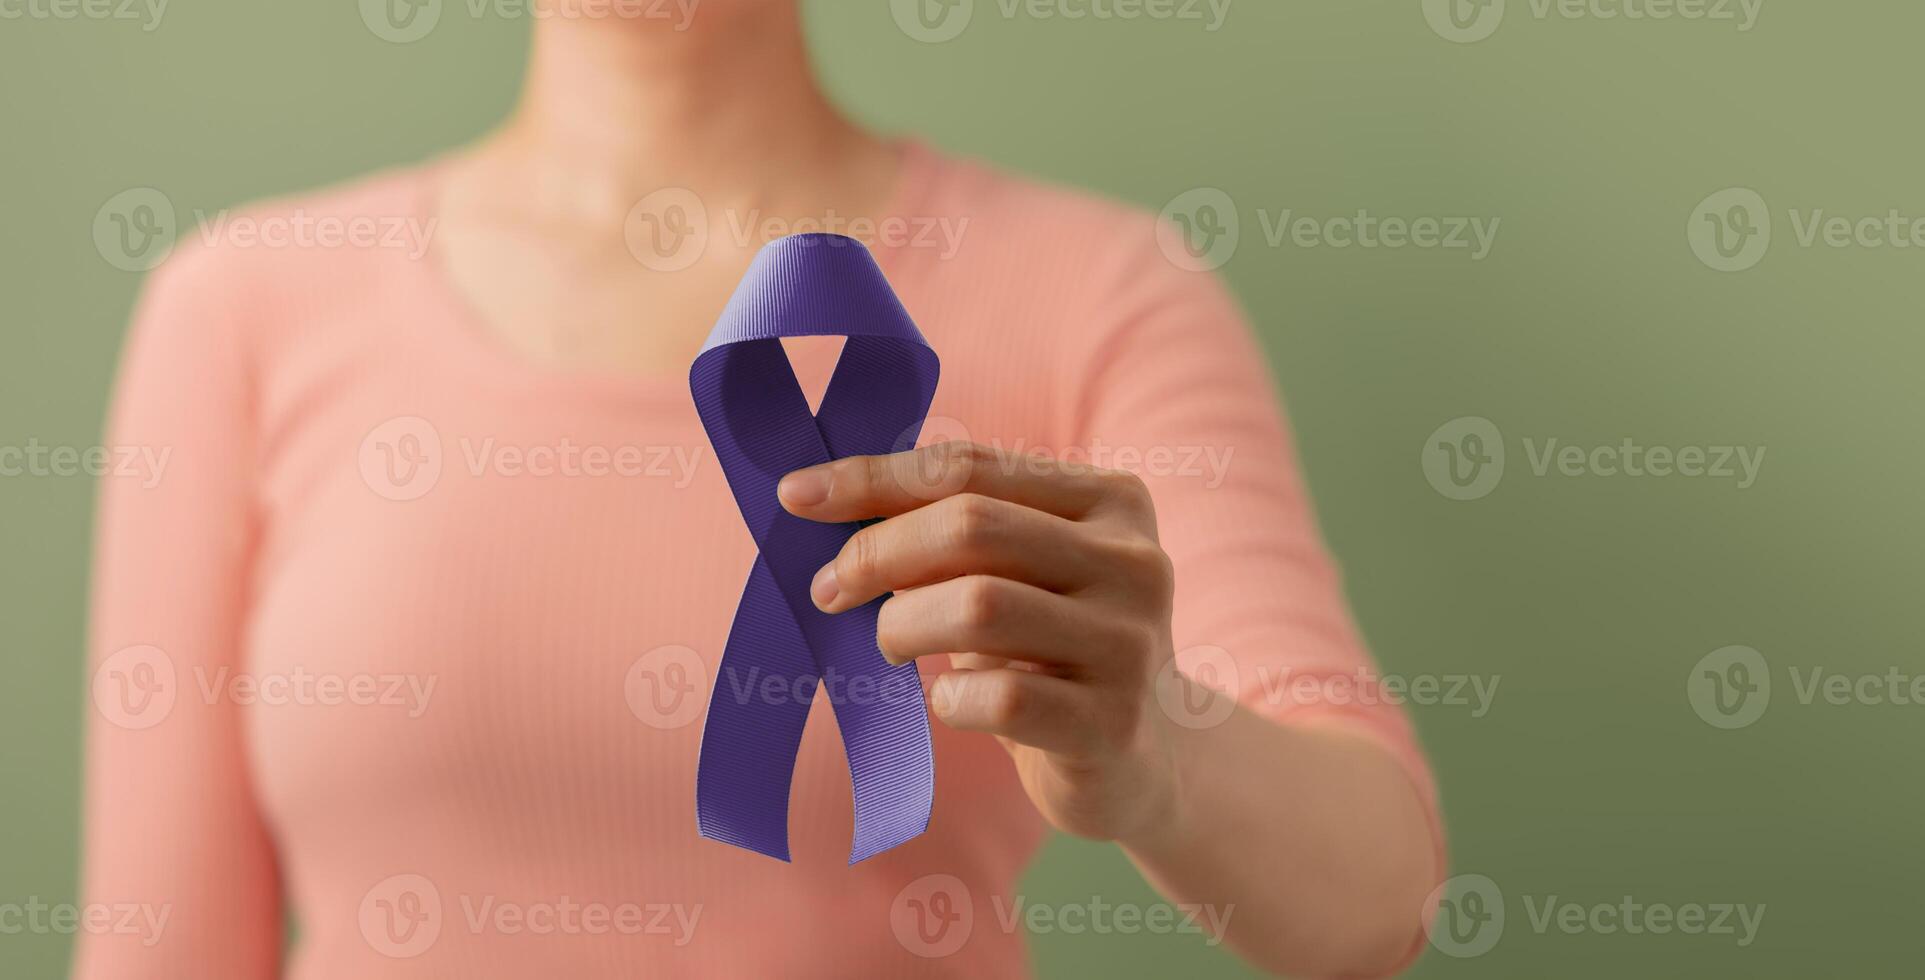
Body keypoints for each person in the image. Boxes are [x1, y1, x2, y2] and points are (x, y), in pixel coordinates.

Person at [75, 2, 1443, 976]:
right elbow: (159, 954)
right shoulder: (241, 309)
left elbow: (1366, 905)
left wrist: (1152, 751)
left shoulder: (1100, 298)